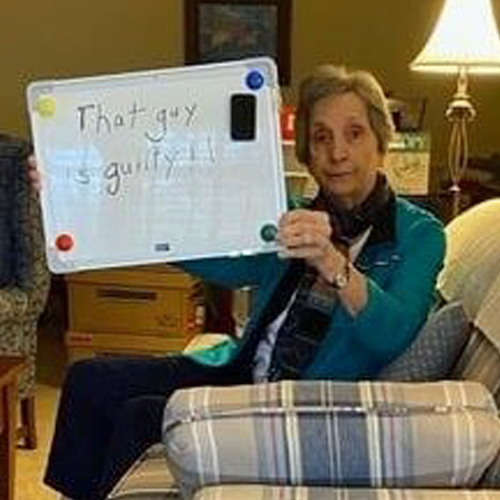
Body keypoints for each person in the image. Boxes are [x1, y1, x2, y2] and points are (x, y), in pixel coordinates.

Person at [35, 64, 445, 500]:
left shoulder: (420, 234)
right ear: (306, 153)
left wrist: (332, 261)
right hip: (242, 370)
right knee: (89, 379)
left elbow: (394, 335)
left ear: (382, 143)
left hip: (303, 404)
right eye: (321, 137)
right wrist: (71, 195)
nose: (337, 152)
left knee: (141, 417)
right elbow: (219, 258)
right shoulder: (289, 215)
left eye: (354, 133)